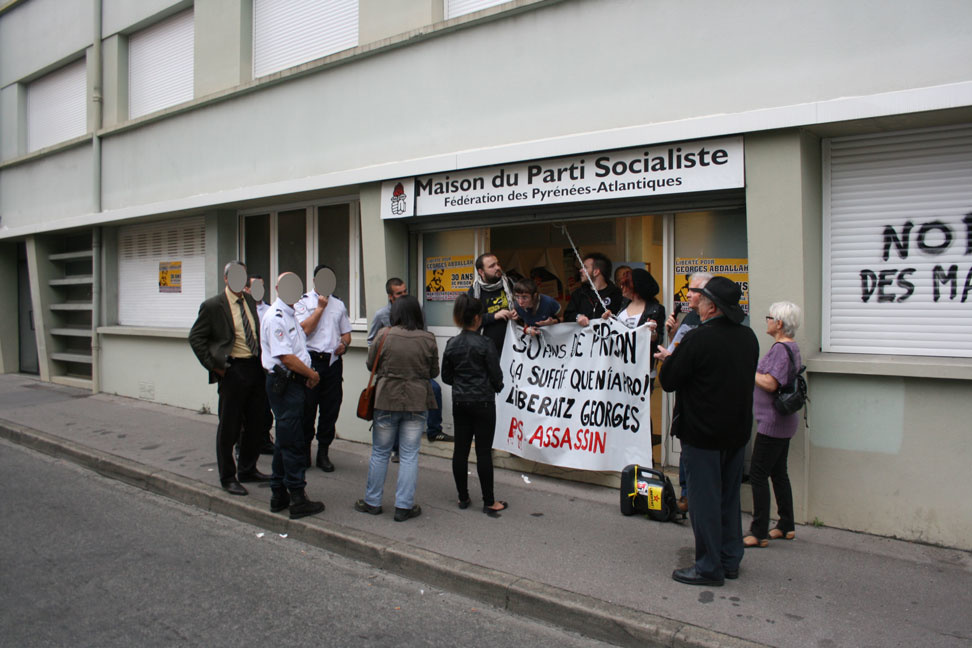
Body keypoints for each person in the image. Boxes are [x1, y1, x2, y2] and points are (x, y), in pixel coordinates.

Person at [656, 276, 758, 586]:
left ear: (711, 306)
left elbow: (669, 380)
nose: (694, 302)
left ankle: (708, 567)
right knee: (728, 499)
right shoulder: (748, 337)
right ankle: (729, 559)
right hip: (735, 432)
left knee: (703, 504)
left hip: (702, 434)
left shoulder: (698, 339)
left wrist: (669, 357)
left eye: (699, 298)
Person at [188, 261, 271, 496]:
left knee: (257, 424)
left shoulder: (250, 302)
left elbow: (255, 332)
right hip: (233, 370)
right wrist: (217, 367)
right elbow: (196, 338)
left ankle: (248, 469)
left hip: (255, 367)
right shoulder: (213, 305)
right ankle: (227, 476)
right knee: (230, 426)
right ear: (226, 279)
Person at [355, 296, 439, 522]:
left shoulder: (384, 335)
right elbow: (434, 373)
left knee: (380, 453)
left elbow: (370, 364)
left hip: (386, 399)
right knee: (410, 455)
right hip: (416, 401)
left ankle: (372, 502)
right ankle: (404, 506)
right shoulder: (428, 338)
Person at [260, 272, 325, 519]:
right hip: (285, 385)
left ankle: (278, 494)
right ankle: (298, 498)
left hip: (292, 383)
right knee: (293, 443)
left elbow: (298, 344)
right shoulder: (275, 317)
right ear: (277, 288)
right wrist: (312, 374)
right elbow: (286, 357)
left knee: (284, 441)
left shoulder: (289, 313)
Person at [368, 278, 449, 458]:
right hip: (392, 373)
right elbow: (371, 342)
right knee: (394, 406)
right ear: (390, 297)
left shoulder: (416, 309)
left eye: (405, 291)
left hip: (416, 370)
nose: (404, 296)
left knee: (434, 389)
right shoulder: (382, 315)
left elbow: (424, 337)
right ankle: (396, 448)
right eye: (399, 293)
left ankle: (434, 430)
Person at [744, 301, 803, 548]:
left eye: (769, 317)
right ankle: (786, 525)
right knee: (779, 473)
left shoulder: (780, 349)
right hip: (782, 422)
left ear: (778, 323)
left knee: (758, 475)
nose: (766, 321)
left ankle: (759, 532)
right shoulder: (791, 347)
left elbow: (771, 383)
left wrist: (748, 371)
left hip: (773, 423)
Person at [442, 294, 507, 517]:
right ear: (478, 318)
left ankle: (463, 497)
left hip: (460, 401)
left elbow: (446, 376)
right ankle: (489, 501)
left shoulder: (451, 344)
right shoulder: (485, 343)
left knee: (460, 451)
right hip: (483, 402)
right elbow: (496, 375)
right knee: (483, 453)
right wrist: (496, 386)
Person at [295, 264, 352, 472]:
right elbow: (304, 331)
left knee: (330, 409)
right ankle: (304, 451)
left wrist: (344, 344)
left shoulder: (339, 304)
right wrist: (319, 308)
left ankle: (323, 452)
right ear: (314, 280)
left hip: (332, 363)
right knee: (307, 409)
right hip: (310, 362)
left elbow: (346, 334)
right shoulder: (302, 302)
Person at [663, 271, 712, 513]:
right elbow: (678, 350)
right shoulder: (690, 317)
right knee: (685, 443)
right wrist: (671, 335)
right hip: (685, 393)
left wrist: (672, 357)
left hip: (702, 396)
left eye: (693, 290)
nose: (688, 294)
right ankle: (686, 495)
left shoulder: (712, 323)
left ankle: (696, 497)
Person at [244, 274, 274, 455]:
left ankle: (263, 439)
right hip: (248, 363)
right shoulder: (242, 310)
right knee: (246, 406)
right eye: (255, 287)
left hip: (265, 364)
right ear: (246, 289)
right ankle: (243, 444)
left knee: (265, 404)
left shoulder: (269, 311)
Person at [468, 252, 517, 354]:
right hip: (487, 349)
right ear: (481, 272)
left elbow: (526, 305)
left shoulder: (511, 283)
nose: (497, 268)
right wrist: (494, 316)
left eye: (498, 264)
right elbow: (471, 319)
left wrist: (519, 312)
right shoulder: (474, 290)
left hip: (514, 346)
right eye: (492, 266)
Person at [563, 252, 624, 326]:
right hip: (583, 337)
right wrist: (577, 317)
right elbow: (567, 316)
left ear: (596, 272)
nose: (580, 270)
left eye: (585, 267)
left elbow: (623, 319)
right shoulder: (579, 293)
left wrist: (610, 318)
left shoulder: (616, 294)